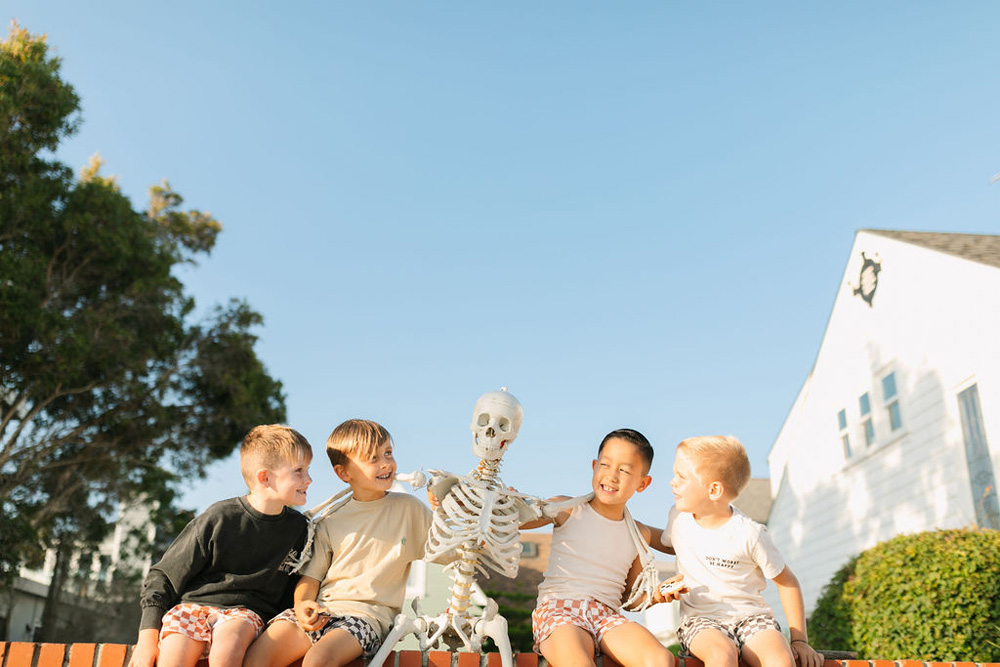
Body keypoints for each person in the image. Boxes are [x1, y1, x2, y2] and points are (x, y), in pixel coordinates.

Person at [244, 419, 432, 667]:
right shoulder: (330, 520)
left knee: (318, 660)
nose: (386, 463)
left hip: (368, 617)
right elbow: (311, 579)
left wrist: (448, 509)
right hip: (324, 608)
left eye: (388, 453)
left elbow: (450, 549)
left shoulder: (410, 509)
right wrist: (302, 605)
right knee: (257, 657)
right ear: (344, 473)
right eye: (372, 458)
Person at [129, 424, 313, 667]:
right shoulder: (220, 517)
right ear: (264, 477)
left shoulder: (299, 529)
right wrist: (146, 640)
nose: (309, 480)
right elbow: (163, 575)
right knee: (172, 658)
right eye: (299, 471)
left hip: (245, 615)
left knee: (229, 648)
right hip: (192, 606)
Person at [654, 435, 824, 667]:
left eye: (681, 477)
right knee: (723, 654)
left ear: (714, 490)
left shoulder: (751, 535)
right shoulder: (678, 518)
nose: (672, 482)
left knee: (780, 659)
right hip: (701, 620)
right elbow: (667, 543)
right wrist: (629, 527)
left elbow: (787, 582)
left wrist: (800, 640)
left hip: (752, 618)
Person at [522, 428, 678, 667]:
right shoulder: (567, 508)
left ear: (643, 483)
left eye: (624, 470)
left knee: (660, 659)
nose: (612, 476)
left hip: (606, 616)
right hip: (560, 609)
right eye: (605, 465)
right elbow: (519, 518)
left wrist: (656, 596)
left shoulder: (639, 533)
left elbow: (630, 598)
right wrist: (508, 505)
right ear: (594, 466)